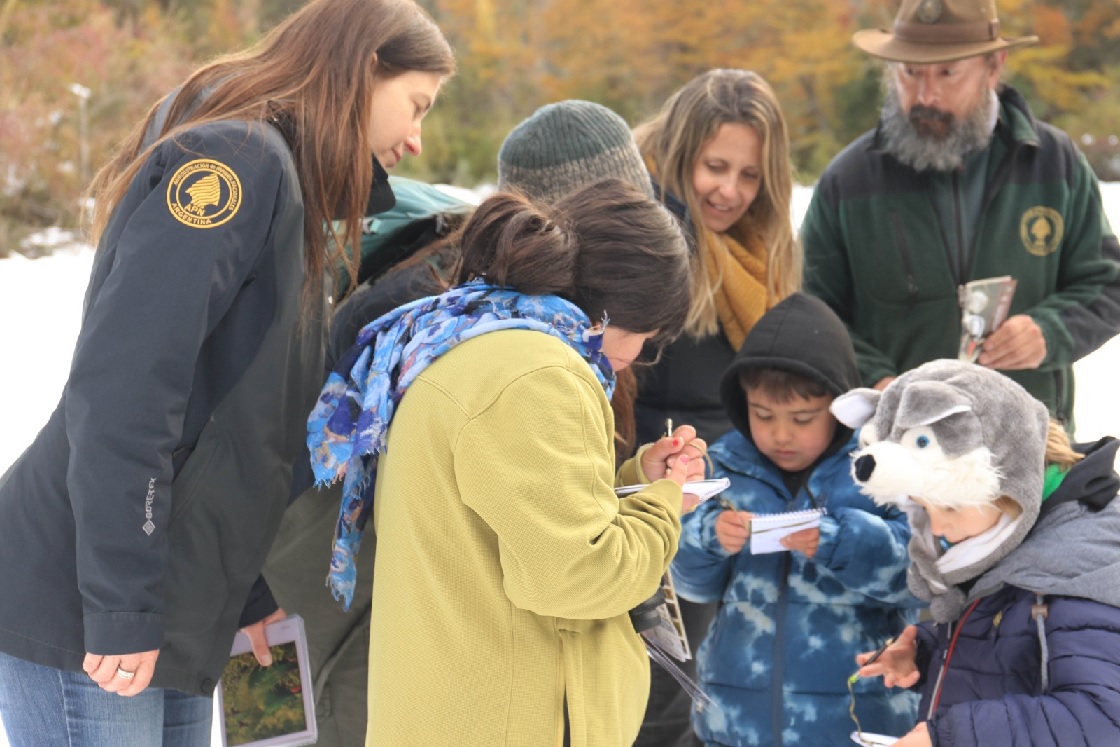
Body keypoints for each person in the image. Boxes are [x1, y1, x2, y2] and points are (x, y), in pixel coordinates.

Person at [0, 0, 453, 744]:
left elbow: (242, 432)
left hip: (171, 603)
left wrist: (246, 593)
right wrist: (119, 603)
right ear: (366, 68)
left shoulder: (298, 199)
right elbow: (125, 391)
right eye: (417, 105)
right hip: (88, 599)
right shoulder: (237, 163)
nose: (416, 137)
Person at [262, 99, 697, 747]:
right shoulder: (534, 361)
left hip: (412, 635)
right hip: (363, 619)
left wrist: (631, 480)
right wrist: (663, 505)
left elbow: (528, 510)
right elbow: (570, 567)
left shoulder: (468, 318)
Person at [801, 0, 1120, 431]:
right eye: (909, 73)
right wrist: (878, 379)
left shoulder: (1055, 164)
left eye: (947, 73)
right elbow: (813, 311)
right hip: (897, 448)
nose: (925, 95)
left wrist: (1049, 332)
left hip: (1030, 443)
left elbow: (1107, 286)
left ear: (994, 66)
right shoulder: (847, 180)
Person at [631, 67, 801, 746]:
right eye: (714, 167)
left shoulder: (757, 250)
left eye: (750, 175)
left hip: (727, 503)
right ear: (681, 155)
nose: (729, 190)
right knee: (661, 695)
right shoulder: (649, 234)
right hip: (653, 499)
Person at [670, 292, 920, 747]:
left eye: (803, 418)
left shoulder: (878, 470)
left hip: (855, 724)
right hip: (736, 723)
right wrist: (709, 539)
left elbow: (917, 575)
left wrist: (842, 541)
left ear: (841, 406)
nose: (781, 434)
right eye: (762, 415)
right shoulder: (724, 466)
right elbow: (689, 585)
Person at [836, 359, 1120, 746]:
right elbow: (1015, 646)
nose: (936, 528)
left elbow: (1101, 718)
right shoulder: (1010, 533)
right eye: (924, 507)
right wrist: (926, 650)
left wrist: (951, 736)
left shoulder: (1082, 564)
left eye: (950, 507)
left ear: (1007, 481)